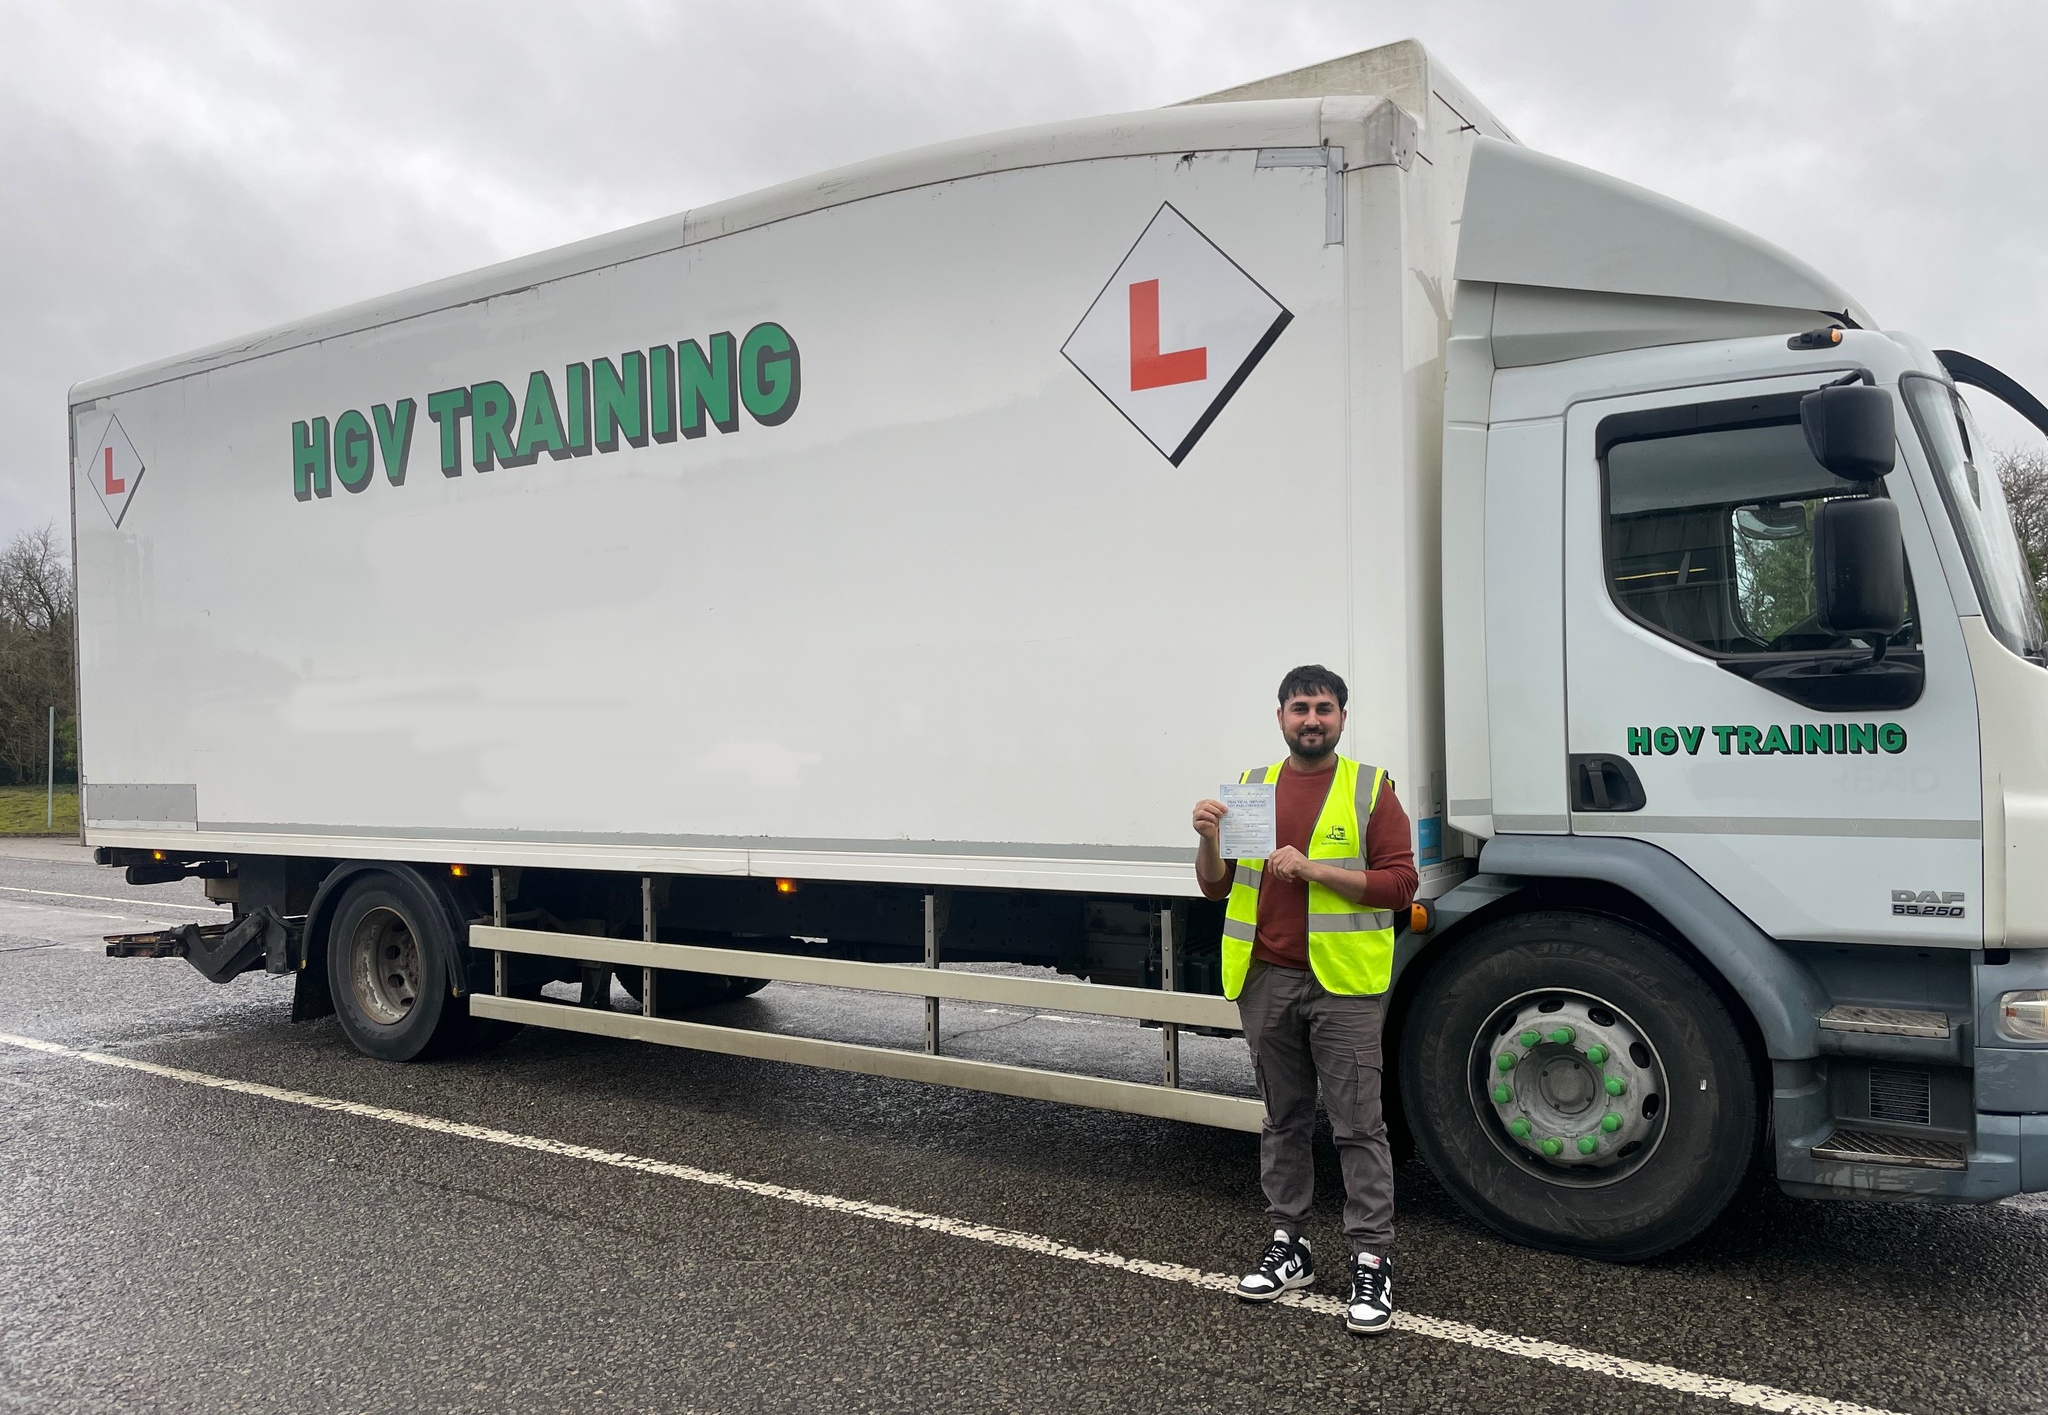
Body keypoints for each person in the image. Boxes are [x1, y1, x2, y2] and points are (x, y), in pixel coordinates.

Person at [1191, 665, 1417, 1336]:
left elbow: (1402, 884)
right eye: (1299, 708)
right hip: (1267, 978)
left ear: (1342, 718)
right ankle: (1291, 1244)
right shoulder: (1254, 789)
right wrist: (1207, 836)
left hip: (1344, 984)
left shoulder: (1371, 789)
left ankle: (1371, 1258)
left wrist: (1313, 868)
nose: (1310, 718)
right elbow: (1214, 886)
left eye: (1323, 707)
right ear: (1282, 717)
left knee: (1357, 1125)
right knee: (1283, 1120)